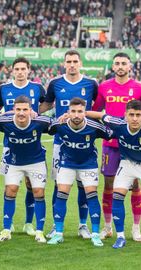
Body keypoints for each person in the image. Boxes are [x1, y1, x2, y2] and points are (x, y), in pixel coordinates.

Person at [87, 100, 141, 250]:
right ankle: (120, 236)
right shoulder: (118, 123)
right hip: (127, 163)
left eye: (138, 115)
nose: (135, 118)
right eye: (131, 115)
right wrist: (76, 114)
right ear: (125, 115)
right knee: (117, 195)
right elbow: (100, 114)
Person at [92, 52, 141, 241]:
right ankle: (108, 226)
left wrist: (132, 125)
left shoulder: (140, 88)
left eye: (123, 63)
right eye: (117, 63)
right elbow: (96, 111)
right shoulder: (104, 87)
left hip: (132, 145)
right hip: (110, 144)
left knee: (134, 184)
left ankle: (136, 228)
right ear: (113, 66)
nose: (120, 66)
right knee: (109, 184)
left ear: (130, 66)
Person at [40, 49, 98, 239]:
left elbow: (97, 107)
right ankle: (57, 226)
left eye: (75, 61)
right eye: (68, 61)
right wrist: (32, 113)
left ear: (80, 63)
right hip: (61, 142)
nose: (72, 64)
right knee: (59, 184)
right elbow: (47, 105)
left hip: (86, 142)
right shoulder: (55, 83)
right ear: (64, 64)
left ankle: (83, 225)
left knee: (84, 185)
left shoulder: (91, 84)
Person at [46, 98, 114, 247]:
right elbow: (49, 128)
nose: (76, 115)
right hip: (67, 163)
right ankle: (58, 233)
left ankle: (95, 234)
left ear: (85, 113)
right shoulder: (61, 124)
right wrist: (58, 119)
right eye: (73, 111)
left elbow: (111, 133)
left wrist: (101, 117)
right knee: (61, 194)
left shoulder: (94, 126)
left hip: (88, 164)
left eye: (80, 112)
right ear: (68, 112)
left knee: (91, 194)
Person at [0, 57, 46, 236]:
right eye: (16, 69)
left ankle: (28, 223)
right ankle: (7, 224)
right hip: (9, 144)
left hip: (31, 141)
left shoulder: (37, 88)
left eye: (23, 69)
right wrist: (10, 113)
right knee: (10, 186)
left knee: (31, 185)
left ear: (28, 70)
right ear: (12, 71)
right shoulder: (4, 88)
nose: (20, 72)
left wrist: (37, 114)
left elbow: (47, 103)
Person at [0, 95, 51, 243]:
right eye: (18, 109)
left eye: (25, 109)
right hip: (14, 162)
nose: (21, 113)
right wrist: (5, 113)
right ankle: (6, 229)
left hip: (36, 162)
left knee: (38, 192)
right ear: (13, 110)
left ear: (30, 110)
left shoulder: (40, 122)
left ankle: (39, 231)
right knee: (11, 190)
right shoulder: (5, 122)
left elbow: (57, 124)